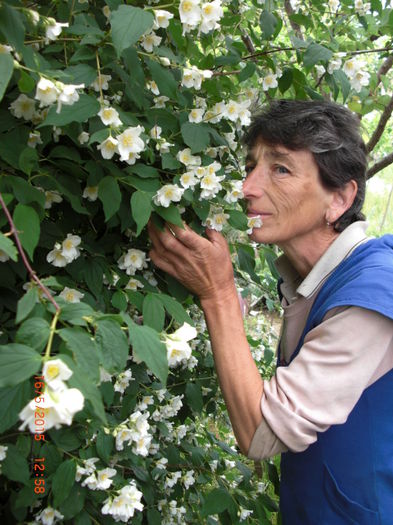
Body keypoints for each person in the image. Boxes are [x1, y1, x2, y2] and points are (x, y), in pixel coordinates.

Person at [148, 99, 393, 524]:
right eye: (251, 165)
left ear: (340, 198)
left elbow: (261, 432)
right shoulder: (312, 278)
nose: (247, 187)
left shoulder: (374, 291)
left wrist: (218, 294)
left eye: (280, 168)